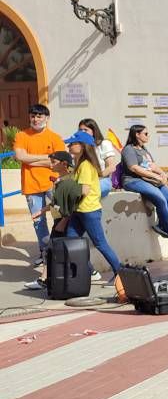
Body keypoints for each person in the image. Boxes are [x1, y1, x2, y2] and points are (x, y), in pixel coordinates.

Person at [64, 130, 121, 283]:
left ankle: (120, 273)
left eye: (72, 144)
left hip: (89, 211)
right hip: (79, 210)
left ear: (82, 146)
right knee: (70, 242)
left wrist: (67, 195)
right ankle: (88, 270)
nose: (69, 146)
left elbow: (84, 190)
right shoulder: (80, 164)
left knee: (100, 244)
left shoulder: (85, 165)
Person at [12, 104, 66, 266]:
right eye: (33, 116)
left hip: (53, 184)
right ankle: (45, 252)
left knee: (60, 217)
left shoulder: (55, 137)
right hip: (31, 186)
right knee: (38, 222)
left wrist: (30, 159)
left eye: (39, 116)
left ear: (47, 118)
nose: (35, 119)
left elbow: (57, 160)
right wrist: (45, 159)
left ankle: (60, 250)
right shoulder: (22, 135)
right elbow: (20, 156)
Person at [23, 151, 79, 291]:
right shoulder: (60, 180)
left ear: (64, 164)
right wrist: (41, 211)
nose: (51, 165)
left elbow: (72, 205)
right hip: (58, 220)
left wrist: (64, 221)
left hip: (62, 221)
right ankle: (89, 272)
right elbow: (55, 203)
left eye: (54, 162)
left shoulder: (68, 181)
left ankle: (43, 280)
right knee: (58, 250)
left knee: (51, 250)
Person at [121, 124, 168, 242]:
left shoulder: (144, 149)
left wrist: (162, 173)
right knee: (160, 199)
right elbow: (134, 168)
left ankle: (160, 225)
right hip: (133, 180)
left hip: (148, 180)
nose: (148, 136)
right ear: (137, 134)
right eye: (146, 133)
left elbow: (151, 165)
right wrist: (155, 176)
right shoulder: (129, 149)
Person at [77, 118, 118, 198]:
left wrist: (96, 178)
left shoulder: (104, 144)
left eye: (86, 130)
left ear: (93, 131)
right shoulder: (79, 146)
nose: (83, 132)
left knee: (87, 194)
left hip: (102, 180)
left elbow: (111, 167)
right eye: (80, 130)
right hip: (84, 182)